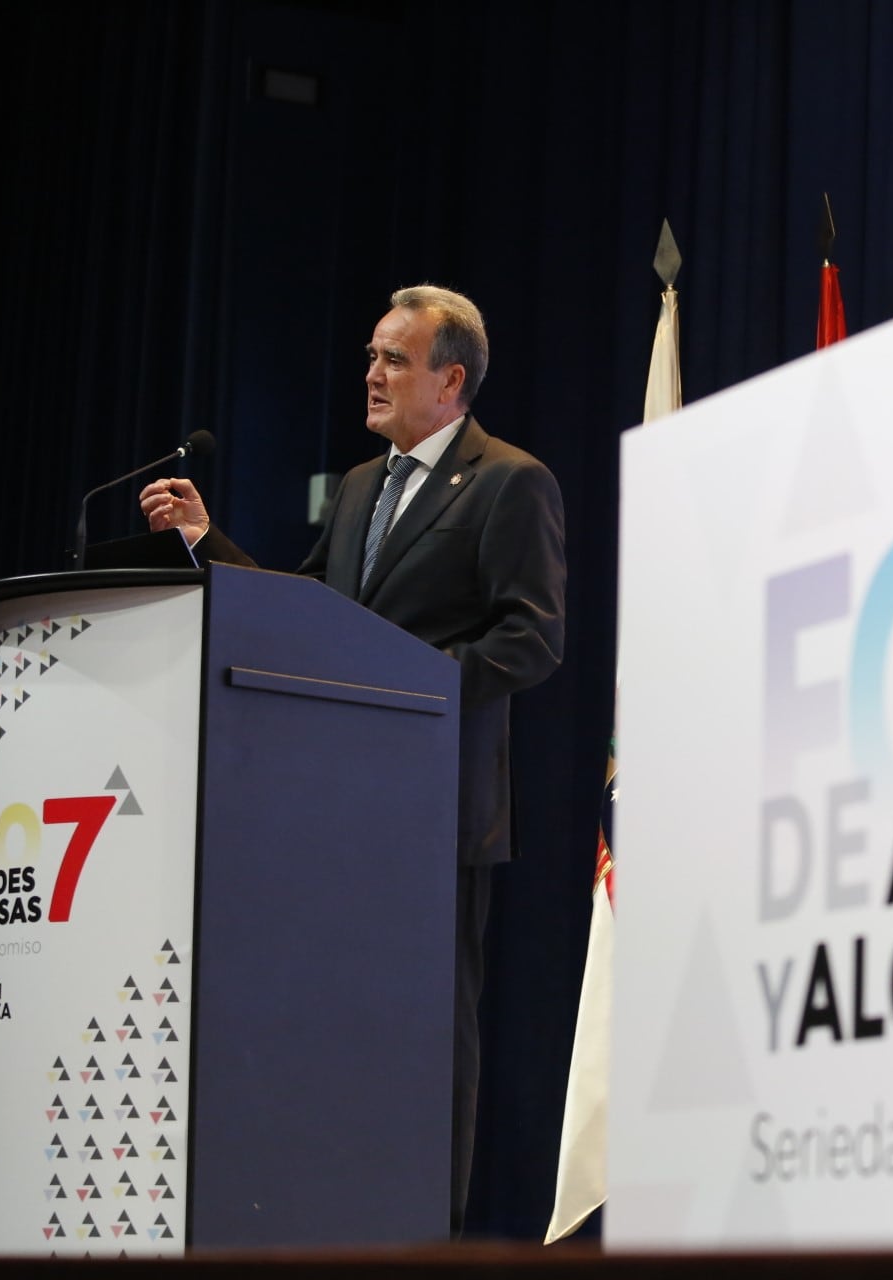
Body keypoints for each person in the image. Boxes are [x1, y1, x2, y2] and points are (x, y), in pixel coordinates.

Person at [138, 284, 566, 1233]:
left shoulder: (508, 481)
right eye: (371, 356)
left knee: (427, 1045)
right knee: (332, 1032)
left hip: (433, 810)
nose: (372, 375)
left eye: (394, 360)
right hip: (332, 810)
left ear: (451, 380)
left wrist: (409, 688)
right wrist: (205, 543)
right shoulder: (364, 486)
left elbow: (531, 641)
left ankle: (426, 1235)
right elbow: (306, 617)